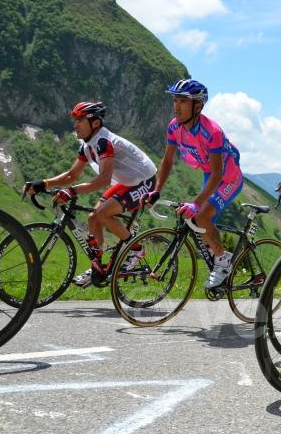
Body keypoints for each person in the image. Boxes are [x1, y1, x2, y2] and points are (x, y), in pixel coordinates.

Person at [24, 102, 157, 287]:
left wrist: (72, 191)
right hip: (127, 181)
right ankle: (97, 267)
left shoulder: (103, 142)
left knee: (102, 214)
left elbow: (103, 179)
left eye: (80, 120)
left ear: (95, 123)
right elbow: (72, 175)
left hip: (144, 181)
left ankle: (137, 250)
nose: (75, 125)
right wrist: (43, 183)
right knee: (93, 218)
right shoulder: (86, 145)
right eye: (75, 120)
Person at [145, 79, 243, 289]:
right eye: (175, 101)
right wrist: (156, 190)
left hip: (228, 178)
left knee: (201, 215)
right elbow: (168, 160)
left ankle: (224, 261)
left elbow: (218, 174)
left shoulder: (212, 132)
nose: (176, 106)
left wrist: (197, 203)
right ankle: (213, 249)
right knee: (199, 221)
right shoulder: (174, 127)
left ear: (197, 106)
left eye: (182, 101)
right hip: (211, 175)